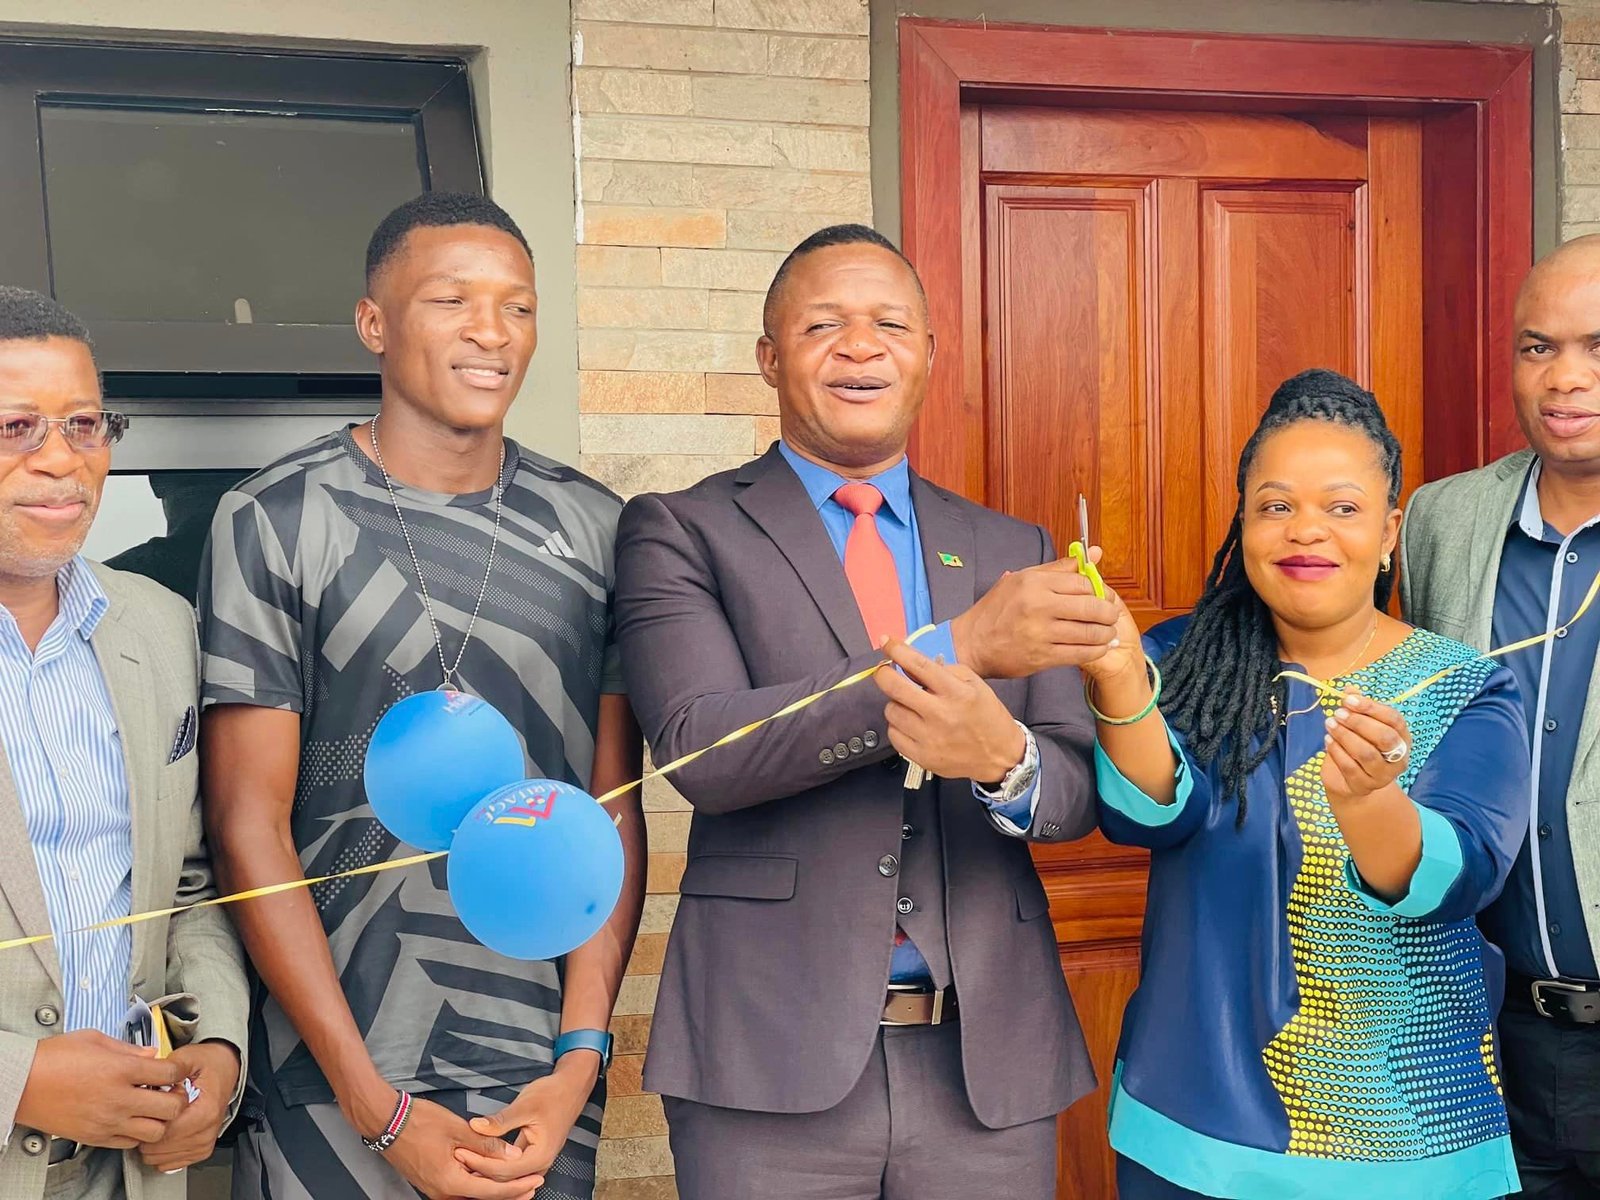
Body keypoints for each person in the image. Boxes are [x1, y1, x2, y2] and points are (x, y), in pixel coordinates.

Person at [613, 224, 1121, 1199]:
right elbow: (704, 749)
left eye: (889, 324)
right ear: (769, 356)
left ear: (928, 352)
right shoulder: (681, 528)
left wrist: (1007, 762)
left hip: (986, 1065)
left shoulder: (1011, 546)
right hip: (767, 1059)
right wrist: (959, 648)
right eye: (822, 325)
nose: (859, 346)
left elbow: (1072, 789)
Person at [197, 193, 646, 1200]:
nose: (492, 332)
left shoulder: (595, 530)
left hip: (534, 1079)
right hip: (329, 1075)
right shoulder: (274, 518)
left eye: (518, 307)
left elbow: (609, 810)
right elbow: (246, 824)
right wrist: (372, 1104)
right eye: (452, 300)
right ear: (374, 323)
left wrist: (579, 1063)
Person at [1084, 369, 1530, 1200]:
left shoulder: (1462, 686)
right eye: (1276, 505)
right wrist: (1116, 678)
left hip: (1406, 1141)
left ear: (1390, 531)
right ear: (1244, 522)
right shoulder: (1181, 660)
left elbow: (1458, 877)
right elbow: (1152, 811)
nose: (1306, 530)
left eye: (1342, 507)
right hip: (1191, 1132)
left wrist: (1369, 803)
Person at [0, 287, 248, 1199]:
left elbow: (187, 885)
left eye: (84, 424)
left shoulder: (162, 626)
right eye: (15, 427)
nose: (61, 460)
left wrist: (217, 1042)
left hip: (131, 1171)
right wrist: (17, 1080)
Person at [1403, 234, 1600, 1198]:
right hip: (1483, 1033)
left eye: (1598, 347)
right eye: (1537, 347)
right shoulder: (1438, 521)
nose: (1565, 379)